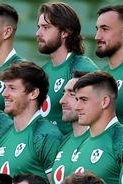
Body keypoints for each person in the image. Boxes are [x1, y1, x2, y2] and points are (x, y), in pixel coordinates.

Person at [0, 61, 65, 184]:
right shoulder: (1, 136)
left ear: (33, 93)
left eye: (12, 88)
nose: (4, 94)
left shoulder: (46, 136)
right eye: (5, 88)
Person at [36, 2, 98, 135]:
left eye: (46, 27)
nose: (38, 33)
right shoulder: (43, 71)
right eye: (39, 27)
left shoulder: (82, 68)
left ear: (65, 32)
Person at [51, 71, 91, 184]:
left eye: (71, 95)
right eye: (63, 93)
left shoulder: (106, 141)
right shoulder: (63, 142)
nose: (62, 100)